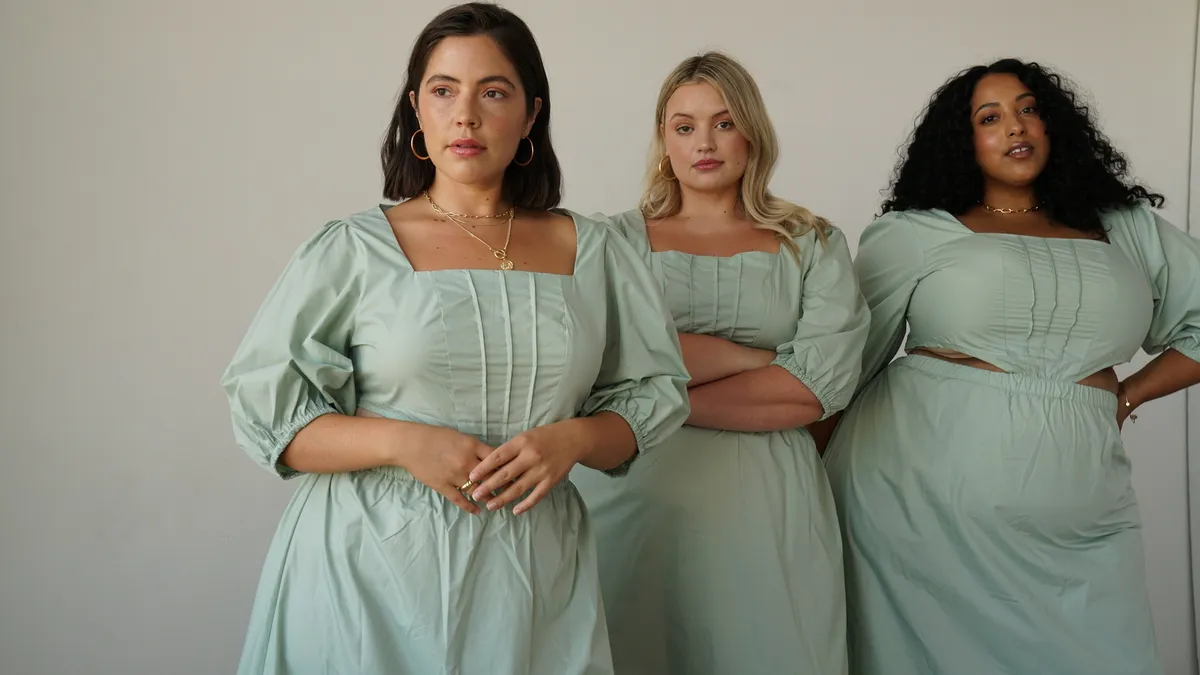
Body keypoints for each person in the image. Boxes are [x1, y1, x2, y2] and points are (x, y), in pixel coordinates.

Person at [219, 4, 691, 674]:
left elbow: (655, 393)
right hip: (368, 572)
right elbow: (268, 414)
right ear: (417, 109)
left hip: (534, 575)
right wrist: (401, 441)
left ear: (531, 115)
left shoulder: (596, 250)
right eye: (444, 91)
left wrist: (576, 438)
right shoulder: (352, 248)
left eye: (492, 92)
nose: (465, 116)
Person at [820, 58, 1200, 675]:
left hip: (1082, 513)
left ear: (1053, 126)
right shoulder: (915, 233)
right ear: (963, 142)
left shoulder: (1123, 229)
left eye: (1028, 110)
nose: (1015, 127)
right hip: (915, 507)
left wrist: (1126, 396)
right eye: (989, 118)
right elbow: (841, 369)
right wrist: (792, 485)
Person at [571, 51, 869, 675]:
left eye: (723, 122)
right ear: (663, 140)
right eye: (684, 126)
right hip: (631, 496)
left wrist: (655, 392)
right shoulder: (609, 242)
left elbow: (817, 389)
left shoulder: (811, 242)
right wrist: (760, 357)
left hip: (767, 504)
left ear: (753, 132)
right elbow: (598, 366)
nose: (703, 142)